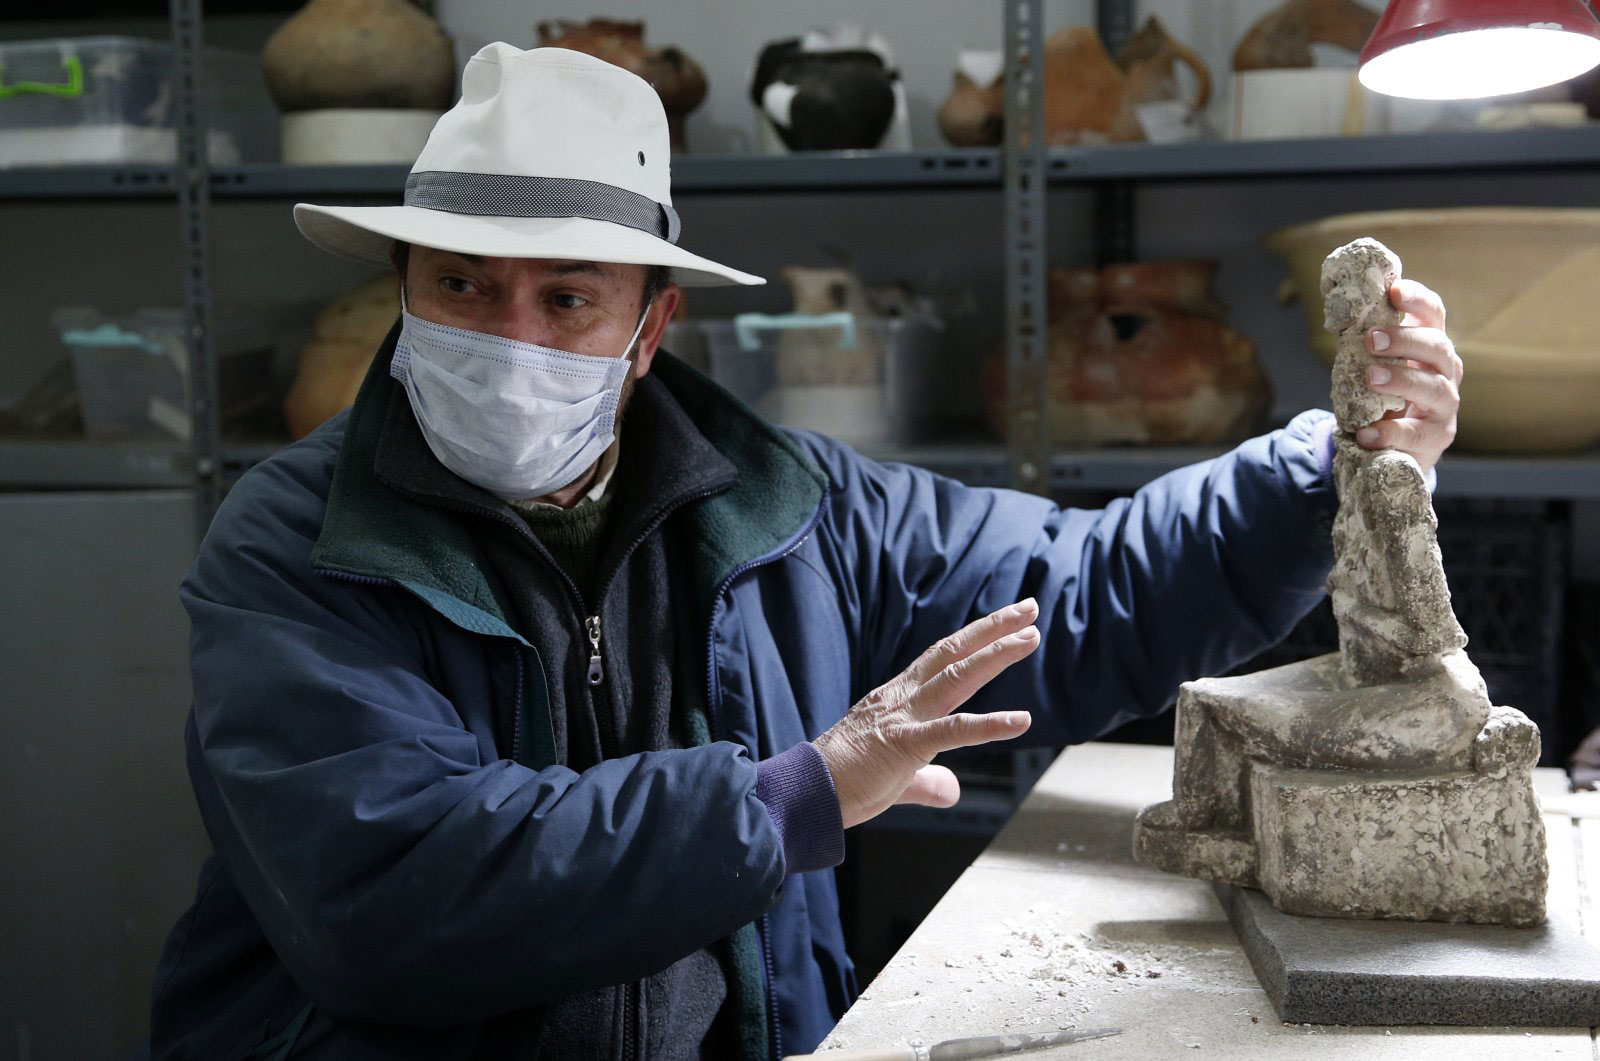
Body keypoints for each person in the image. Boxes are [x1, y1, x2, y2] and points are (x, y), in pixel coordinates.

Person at [147, 44, 1463, 1060]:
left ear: (651, 330)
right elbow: (392, 890)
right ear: (404, 283)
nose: (510, 338)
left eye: (566, 297)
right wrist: (790, 795)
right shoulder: (298, 543)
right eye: (462, 286)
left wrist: (1327, 469)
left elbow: (1080, 592)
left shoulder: (791, 506)